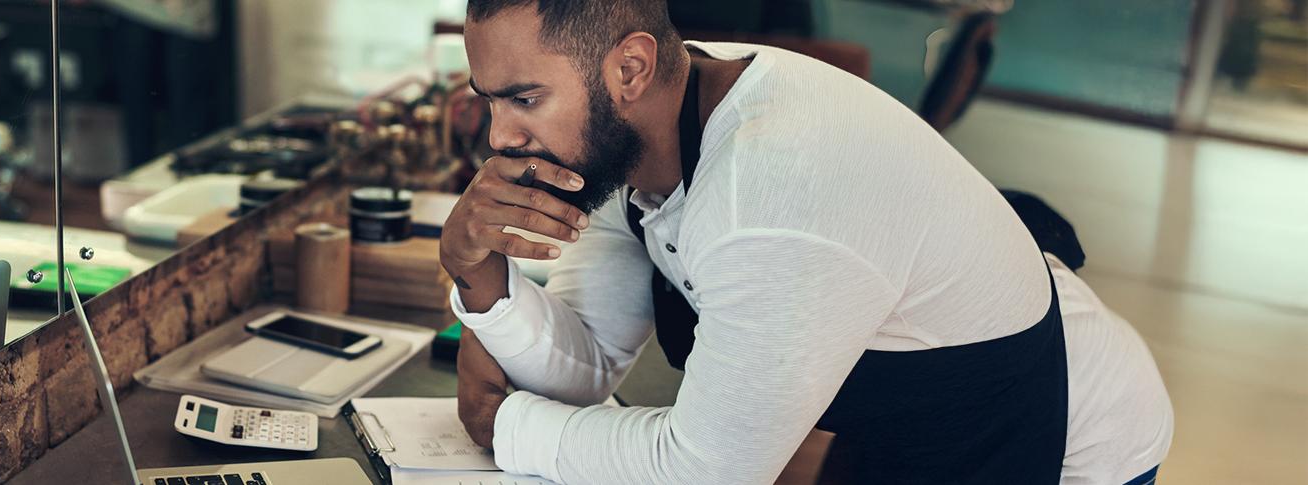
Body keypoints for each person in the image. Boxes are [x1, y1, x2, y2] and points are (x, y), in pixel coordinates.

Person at [439, 1, 1173, 483]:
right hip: (897, 413)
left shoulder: (768, 185)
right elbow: (591, 364)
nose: (501, 136)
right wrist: (476, 274)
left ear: (628, 68)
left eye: (524, 98)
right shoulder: (639, 127)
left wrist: (506, 424)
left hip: (1063, 428)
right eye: (491, 99)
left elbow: (710, 471)